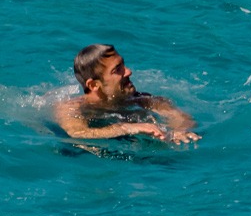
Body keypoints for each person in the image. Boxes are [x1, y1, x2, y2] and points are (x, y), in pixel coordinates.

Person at [55, 44, 200, 146]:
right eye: (117, 70)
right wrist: (128, 128)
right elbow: (78, 133)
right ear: (94, 85)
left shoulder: (142, 100)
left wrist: (178, 131)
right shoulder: (72, 108)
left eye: (123, 65)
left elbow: (181, 117)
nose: (129, 71)